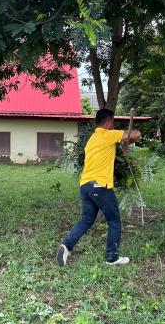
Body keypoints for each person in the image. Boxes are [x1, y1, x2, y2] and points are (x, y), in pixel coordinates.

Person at [57, 109, 142, 266]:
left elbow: (119, 143)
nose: (113, 125)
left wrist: (125, 143)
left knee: (87, 219)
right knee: (114, 220)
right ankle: (112, 258)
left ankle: (66, 245)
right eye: (113, 122)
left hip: (85, 186)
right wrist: (131, 137)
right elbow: (136, 135)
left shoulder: (93, 139)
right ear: (109, 122)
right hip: (100, 186)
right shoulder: (108, 135)